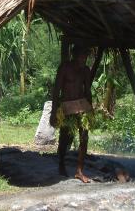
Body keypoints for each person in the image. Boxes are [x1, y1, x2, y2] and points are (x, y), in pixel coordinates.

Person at [50, 44, 93, 183]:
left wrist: (90, 110)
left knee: (84, 137)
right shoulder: (65, 68)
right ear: (75, 56)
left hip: (81, 106)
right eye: (81, 56)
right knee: (65, 137)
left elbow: (87, 91)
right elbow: (56, 90)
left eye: (85, 56)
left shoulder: (86, 70)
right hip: (67, 107)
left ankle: (79, 171)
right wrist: (54, 112)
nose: (84, 59)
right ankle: (61, 163)